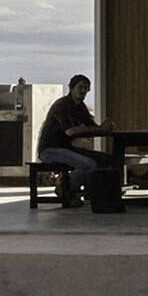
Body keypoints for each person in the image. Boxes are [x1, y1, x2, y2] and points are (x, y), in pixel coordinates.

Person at [37, 74, 103, 205]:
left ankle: (91, 193)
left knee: (103, 160)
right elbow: (70, 131)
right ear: (71, 88)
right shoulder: (62, 105)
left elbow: (92, 126)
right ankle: (65, 188)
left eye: (86, 88)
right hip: (50, 150)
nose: (83, 91)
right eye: (80, 87)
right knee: (88, 164)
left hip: (66, 148)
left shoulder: (81, 107)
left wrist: (105, 127)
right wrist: (101, 129)